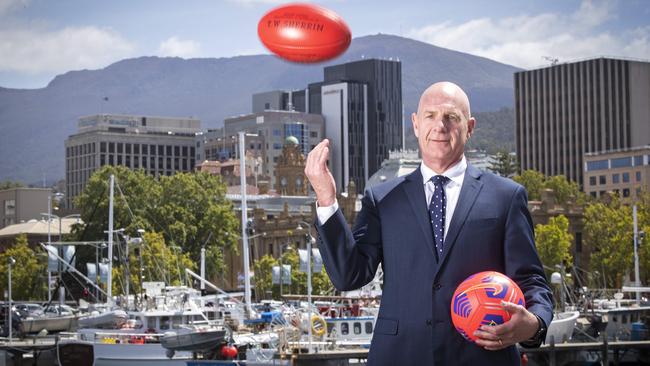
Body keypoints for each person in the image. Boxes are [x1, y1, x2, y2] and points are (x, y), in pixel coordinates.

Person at [304, 81, 553, 365]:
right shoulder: (382, 198)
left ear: (469, 127)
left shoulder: (506, 197)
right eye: (430, 116)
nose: (440, 126)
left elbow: (532, 281)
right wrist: (326, 199)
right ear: (415, 125)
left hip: (482, 357)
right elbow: (349, 275)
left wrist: (534, 323)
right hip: (399, 356)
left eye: (451, 117)